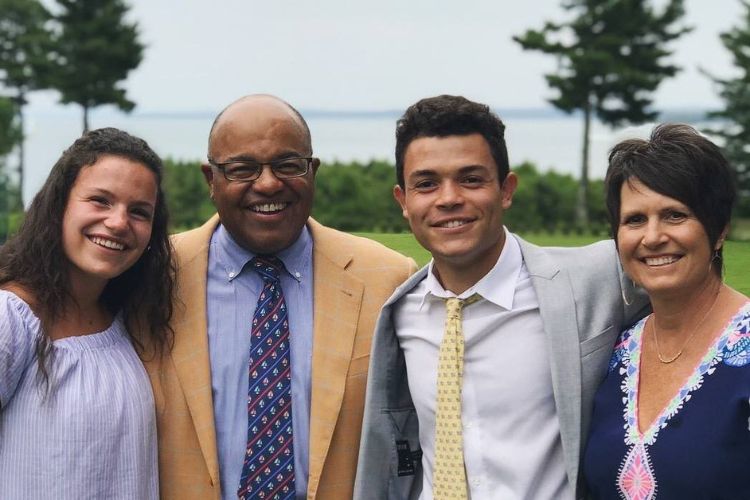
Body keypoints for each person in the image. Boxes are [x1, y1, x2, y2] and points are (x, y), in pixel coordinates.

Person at [354, 95, 649, 500]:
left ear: (506, 190)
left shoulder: (597, 277)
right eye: (426, 184)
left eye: (471, 179)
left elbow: (695, 294)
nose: (448, 198)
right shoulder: (401, 313)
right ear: (403, 202)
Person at [145, 94, 416, 500]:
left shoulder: (387, 279)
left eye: (288, 165)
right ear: (210, 180)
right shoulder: (151, 277)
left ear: (313, 171)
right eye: (243, 169)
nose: (269, 183)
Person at [0, 127, 174, 498]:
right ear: (59, 204)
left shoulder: (129, 319)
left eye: (139, 211)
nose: (118, 222)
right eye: (100, 200)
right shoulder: (11, 319)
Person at [583, 124, 749, 498]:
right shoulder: (615, 352)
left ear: (719, 230)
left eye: (675, 215)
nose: (653, 237)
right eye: (635, 219)